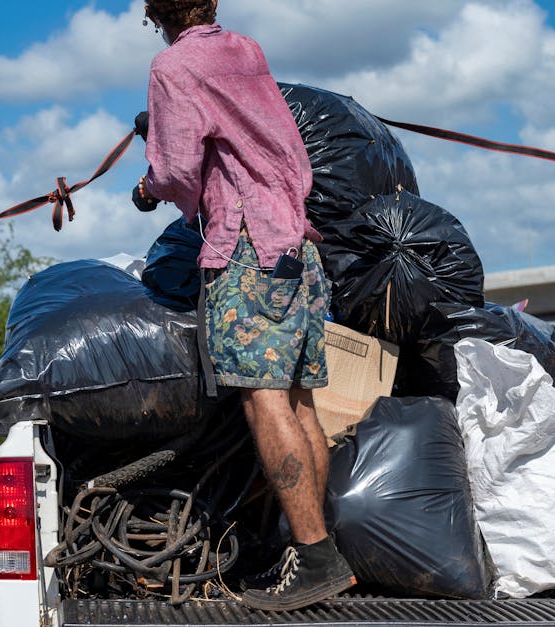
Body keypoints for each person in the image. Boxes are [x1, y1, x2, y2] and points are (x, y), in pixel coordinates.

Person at [131, 0, 355, 611]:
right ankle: (321, 552)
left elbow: (177, 170)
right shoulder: (246, 51)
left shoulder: (173, 66)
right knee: (300, 399)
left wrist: (148, 187)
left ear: (155, 14)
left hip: (248, 247)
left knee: (263, 399)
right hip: (299, 249)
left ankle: (313, 556)